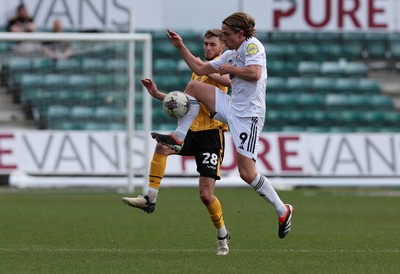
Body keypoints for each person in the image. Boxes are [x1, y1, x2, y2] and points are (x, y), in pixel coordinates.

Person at [150, 12, 294, 239]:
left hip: (249, 116)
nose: (223, 38)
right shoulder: (231, 53)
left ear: (241, 33)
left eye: (227, 34)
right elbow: (200, 69)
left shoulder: (253, 46)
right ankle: (179, 135)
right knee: (194, 85)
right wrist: (180, 46)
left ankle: (282, 210)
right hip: (233, 106)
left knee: (247, 173)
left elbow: (255, 74)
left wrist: (232, 70)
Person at [122, 29, 232, 255]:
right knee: (162, 147)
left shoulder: (225, 65)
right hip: (192, 131)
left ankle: (222, 234)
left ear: (222, 47)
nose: (208, 48)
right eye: (205, 44)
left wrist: (204, 68)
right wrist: (158, 94)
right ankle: (150, 199)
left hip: (211, 136)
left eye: (212, 44)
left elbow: (229, 81)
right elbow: (184, 103)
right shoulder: (199, 72)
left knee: (205, 195)